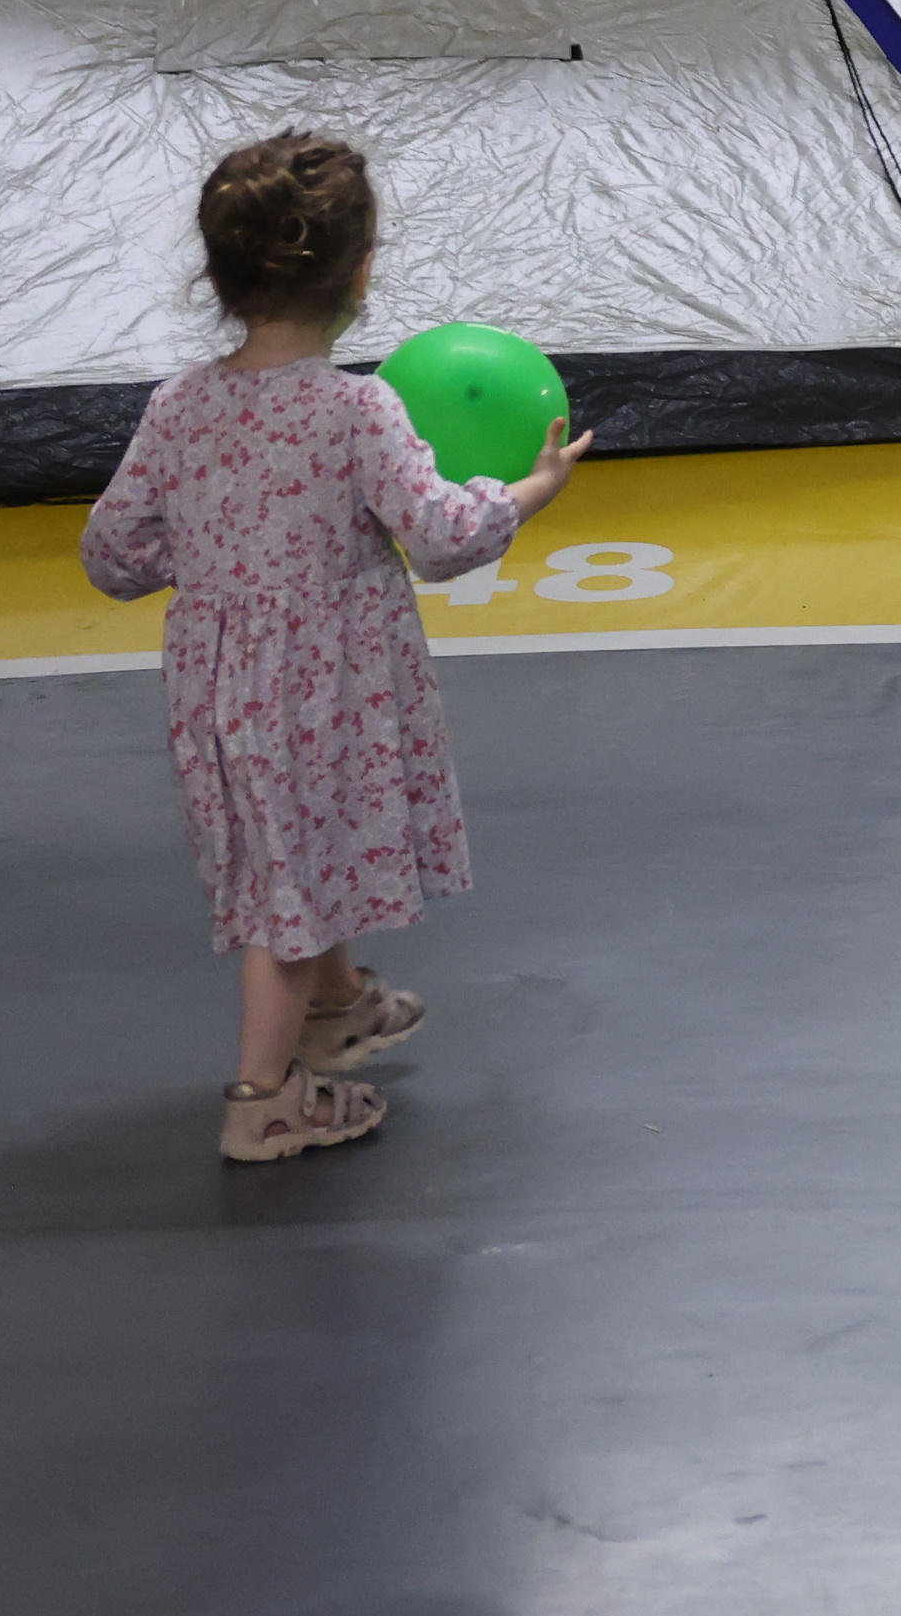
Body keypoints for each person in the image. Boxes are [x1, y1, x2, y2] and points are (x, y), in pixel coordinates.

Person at [80, 128, 589, 1166]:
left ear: (218, 277)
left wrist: (219, 551)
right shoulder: (359, 407)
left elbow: (112, 554)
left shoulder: (178, 408)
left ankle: (338, 1008)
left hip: (224, 694)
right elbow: (444, 539)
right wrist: (531, 489)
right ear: (362, 273)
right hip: (331, 690)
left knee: (299, 854)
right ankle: (262, 1101)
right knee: (288, 901)